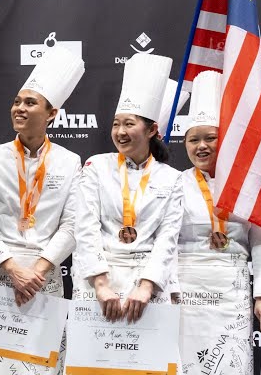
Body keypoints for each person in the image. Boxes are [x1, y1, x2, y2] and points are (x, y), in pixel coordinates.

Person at [0, 47, 84, 375]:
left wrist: (38, 270)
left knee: (41, 368)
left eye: (30, 103)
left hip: (44, 277)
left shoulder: (70, 162)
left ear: (52, 114)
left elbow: (73, 224)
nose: (19, 108)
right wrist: (13, 267)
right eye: (17, 101)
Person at [173, 71, 261, 375]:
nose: (201, 146)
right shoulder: (174, 184)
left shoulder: (249, 183)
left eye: (210, 137)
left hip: (231, 291)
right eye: (194, 139)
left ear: (226, 139)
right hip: (185, 291)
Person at [71, 53, 183, 327]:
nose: (120, 131)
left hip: (148, 288)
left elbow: (167, 239)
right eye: (116, 123)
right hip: (98, 284)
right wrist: (100, 284)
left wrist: (146, 286)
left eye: (129, 123)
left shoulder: (172, 178)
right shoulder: (96, 166)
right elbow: (85, 227)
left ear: (152, 129)